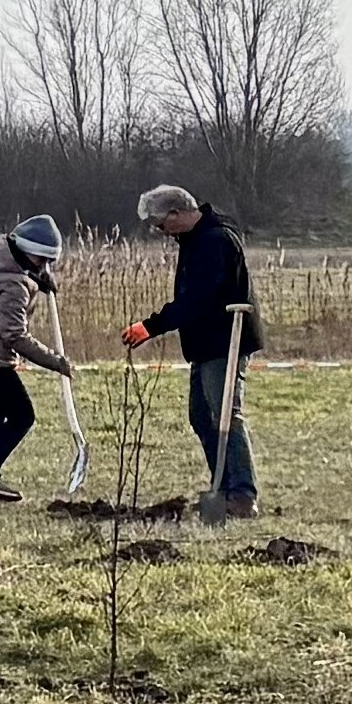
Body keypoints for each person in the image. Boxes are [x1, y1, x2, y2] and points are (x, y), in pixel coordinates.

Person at [129, 186, 264, 517]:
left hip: (225, 341)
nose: (162, 232)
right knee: (202, 416)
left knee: (224, 415)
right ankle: (222, 485)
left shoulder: (215, 241)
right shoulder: (195, 239)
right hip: (206, 343)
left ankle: (242, 494)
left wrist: (152, 326)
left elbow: (198, 300)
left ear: (176, 214)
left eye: (162, 225)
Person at [0, 217, 71, 501]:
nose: (43, 266)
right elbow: (15, 335)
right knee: (22, 415)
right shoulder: (11, 282)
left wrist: (38, 276)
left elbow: (23, 271)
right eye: (40, 260)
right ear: (25, 250)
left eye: (47, 262)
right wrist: (56, 362)